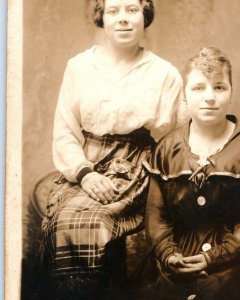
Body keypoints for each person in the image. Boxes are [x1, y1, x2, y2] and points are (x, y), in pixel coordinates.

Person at [41, 1, 185, 299]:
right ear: (101, 17)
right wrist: (85, 175)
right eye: (113, 10)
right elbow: (65, 132)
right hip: (86, 164)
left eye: (131, 10)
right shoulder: (79, 67)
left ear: (144, 17)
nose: (123, 20)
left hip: (137, 167)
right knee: (62, 218)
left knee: (91, 219)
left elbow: (178, 139)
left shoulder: (164, 74)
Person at [143, 47, 240, 300]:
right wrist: (170, 255)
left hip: (236, 265)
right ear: (184, 95)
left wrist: (210, 259)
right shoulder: (166, 149)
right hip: (175, 263)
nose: (209, 97)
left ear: (231, 93)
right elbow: (156, 218)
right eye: (198, 88)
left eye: (219, 87)